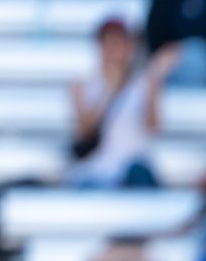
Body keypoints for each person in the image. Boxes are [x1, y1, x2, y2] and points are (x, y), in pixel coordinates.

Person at [66, 17, 167, 190]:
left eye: (119, 43)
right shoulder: (82, 85)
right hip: (96, 171)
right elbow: (84, 131)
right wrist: (108, 93)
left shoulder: (145, 83)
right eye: (108, 43)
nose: (113, 50)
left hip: (132, 170)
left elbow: (153, 127)